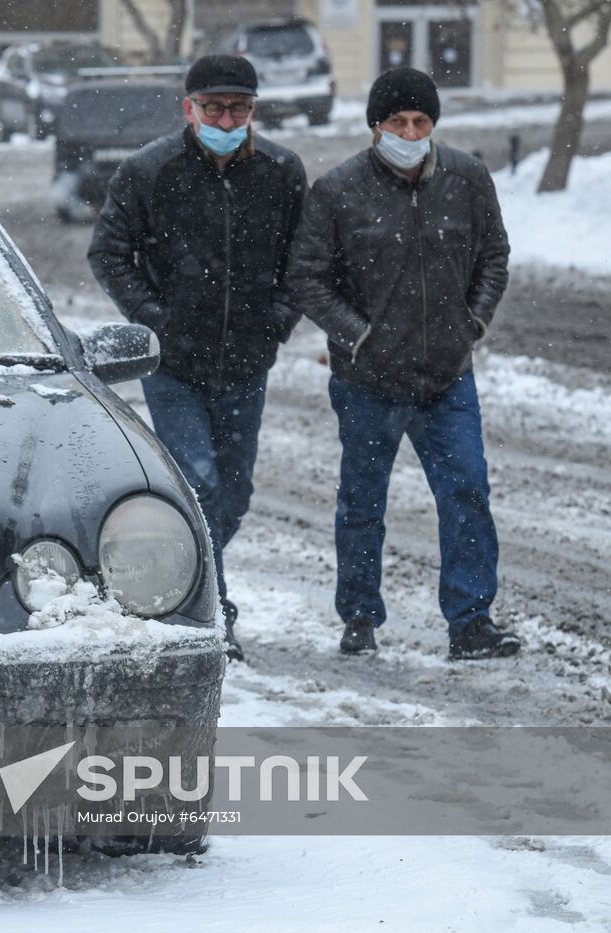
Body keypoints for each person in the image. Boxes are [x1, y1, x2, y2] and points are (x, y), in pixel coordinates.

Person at [287, 67, 519, 661]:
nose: (410, 133)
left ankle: (471, 621)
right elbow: (307, 278)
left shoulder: (466, 179)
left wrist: (473, 322)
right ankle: (360, 616)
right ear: (375, 127)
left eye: (420, 121)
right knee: (363, 501)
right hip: (368, 380)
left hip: (447, 376)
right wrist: (359, 335)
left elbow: (494, 255)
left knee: (466, 490)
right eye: (397, 122)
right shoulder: (337, 191)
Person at [88, 55, 308, 662]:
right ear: (189, 109)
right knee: (200, 485)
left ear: (253, 110)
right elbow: (109, 253)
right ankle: (214, 612)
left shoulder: (281, 172)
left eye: (238, 109)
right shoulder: (149, 170)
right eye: (214, 108)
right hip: (175, 366)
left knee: (235, 492)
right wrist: (155, 319)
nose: (226, 120)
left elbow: (303, 257)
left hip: (247, 360)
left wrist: (277, 320)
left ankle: (186, 574)